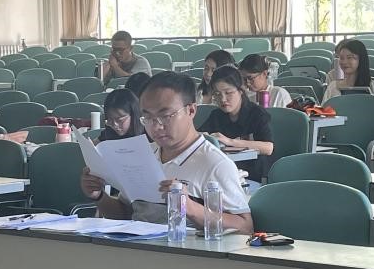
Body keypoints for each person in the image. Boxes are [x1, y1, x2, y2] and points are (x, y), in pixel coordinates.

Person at [81, 71, 253, 233]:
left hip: (183, 251)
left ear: (191, 110)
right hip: (137, 248)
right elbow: (126, 214)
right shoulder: (142, 155)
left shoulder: (215, 164)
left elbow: (245, 227)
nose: (156, 126)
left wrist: (190, 208)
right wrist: (99, 196)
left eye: (165, 116)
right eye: (148, 118)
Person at [198, 66, 273, 184]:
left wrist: (230, 142)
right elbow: (199, 136)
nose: (223, 99)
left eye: (228, 93)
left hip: (254, 175)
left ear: (241, 90)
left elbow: (268, 148)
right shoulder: (216, 115)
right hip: (223, 175)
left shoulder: (257, 113)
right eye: (217, 94)